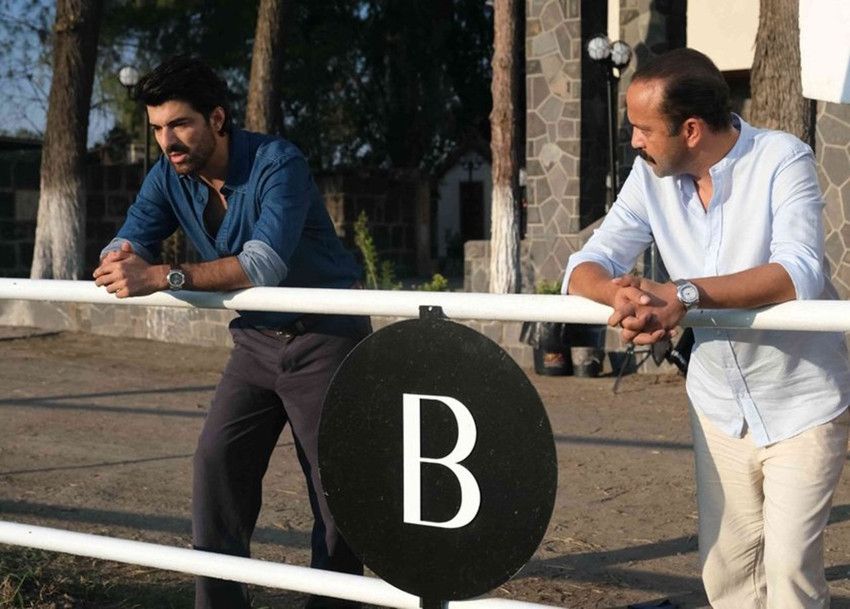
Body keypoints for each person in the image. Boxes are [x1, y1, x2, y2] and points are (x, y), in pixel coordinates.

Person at [563, 48, 850, 608]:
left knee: (790, 574)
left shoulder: (781, 157)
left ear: (690, 130)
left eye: (644, 129)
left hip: (802, 404)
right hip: (718, 407)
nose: (634, 141)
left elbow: (799, 272)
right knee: (727, 573)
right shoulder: (650, 179)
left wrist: (682, 295)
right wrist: (623, 297)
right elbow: (585, 265)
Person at [93, 55, 368, 609]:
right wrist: (118, 257)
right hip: (256, 341)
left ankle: (335, 604)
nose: (167, 141)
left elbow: (262, 264)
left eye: (179, 124)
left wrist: (161, 276)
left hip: (327, 338)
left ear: (217, 119)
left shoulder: (277, 162)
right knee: (216, 462)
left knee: (333, 486)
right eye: (157, 128)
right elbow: (128, 239)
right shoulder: (168, 174)